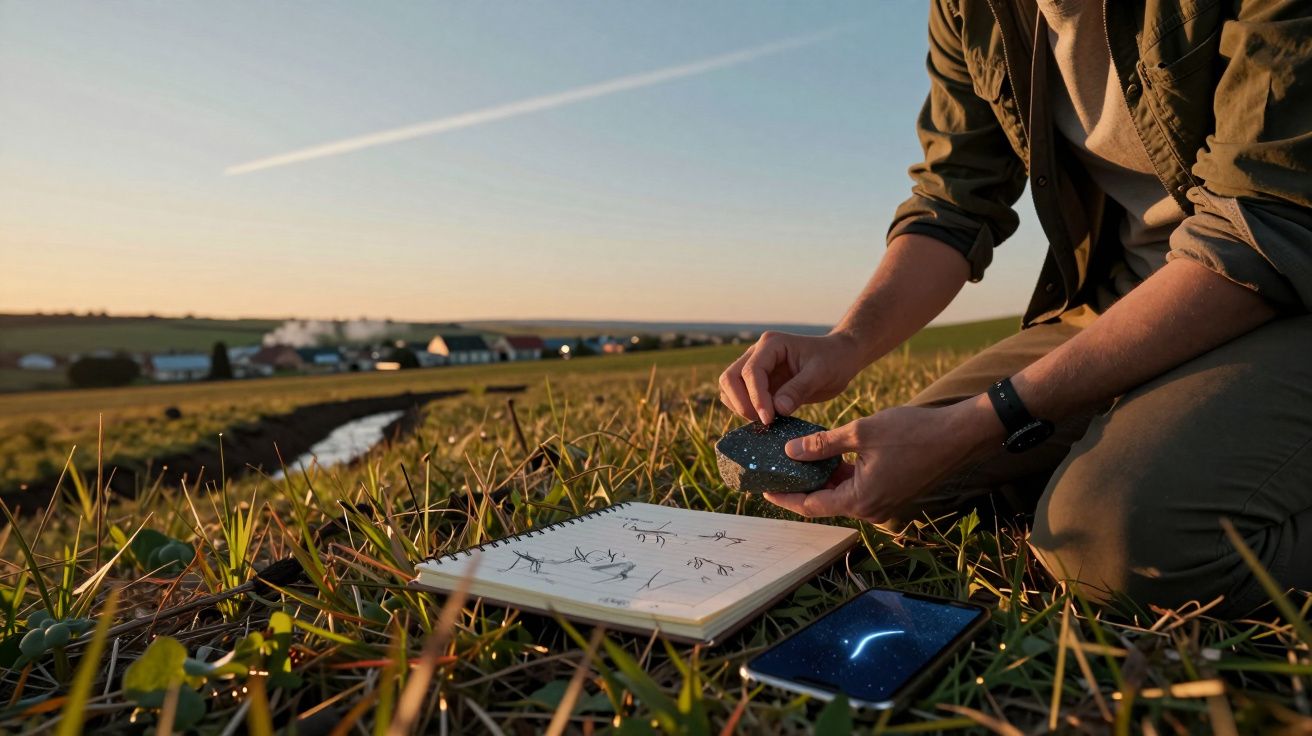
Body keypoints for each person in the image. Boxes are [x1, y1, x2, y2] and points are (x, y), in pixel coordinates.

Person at [720, 1, 1312, 617]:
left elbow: (1268, 219)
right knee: (908, 493)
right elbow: (954, 199)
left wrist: (979, 421)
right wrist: (845, 343)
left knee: (1111, 546)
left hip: (1287, 288)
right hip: (1125, 295)